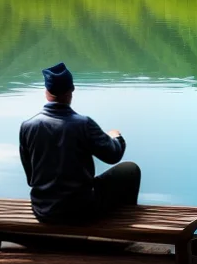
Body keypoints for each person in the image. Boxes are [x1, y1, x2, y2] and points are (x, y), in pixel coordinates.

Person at [19, 61, 142, 223]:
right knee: (130, 169)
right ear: (71, 91)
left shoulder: (28, 126)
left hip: (43, 210)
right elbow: (113, 155)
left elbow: (31, 178)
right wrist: (116, 137)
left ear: (46, 92)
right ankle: (126, 226)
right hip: (81, 210)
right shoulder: (83, 124)